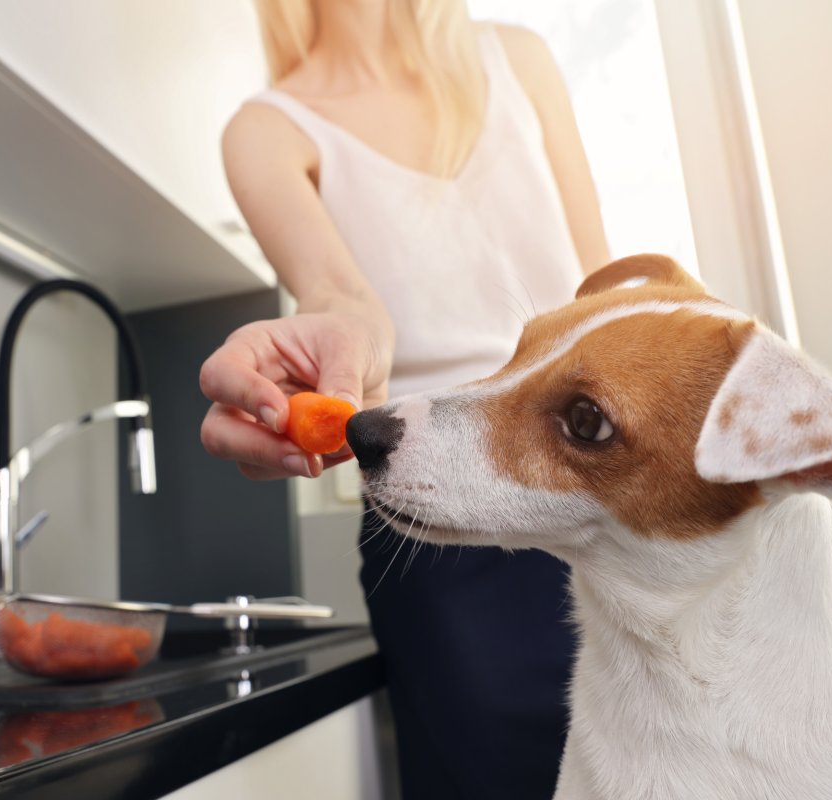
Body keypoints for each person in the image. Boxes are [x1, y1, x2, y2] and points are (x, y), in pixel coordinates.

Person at [199, 1, 610, 796]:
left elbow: (606, 298)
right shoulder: (267, 131)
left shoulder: (517, 59)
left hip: (596, 495)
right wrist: (347, 350)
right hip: (438, 534)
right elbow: (340, 293)